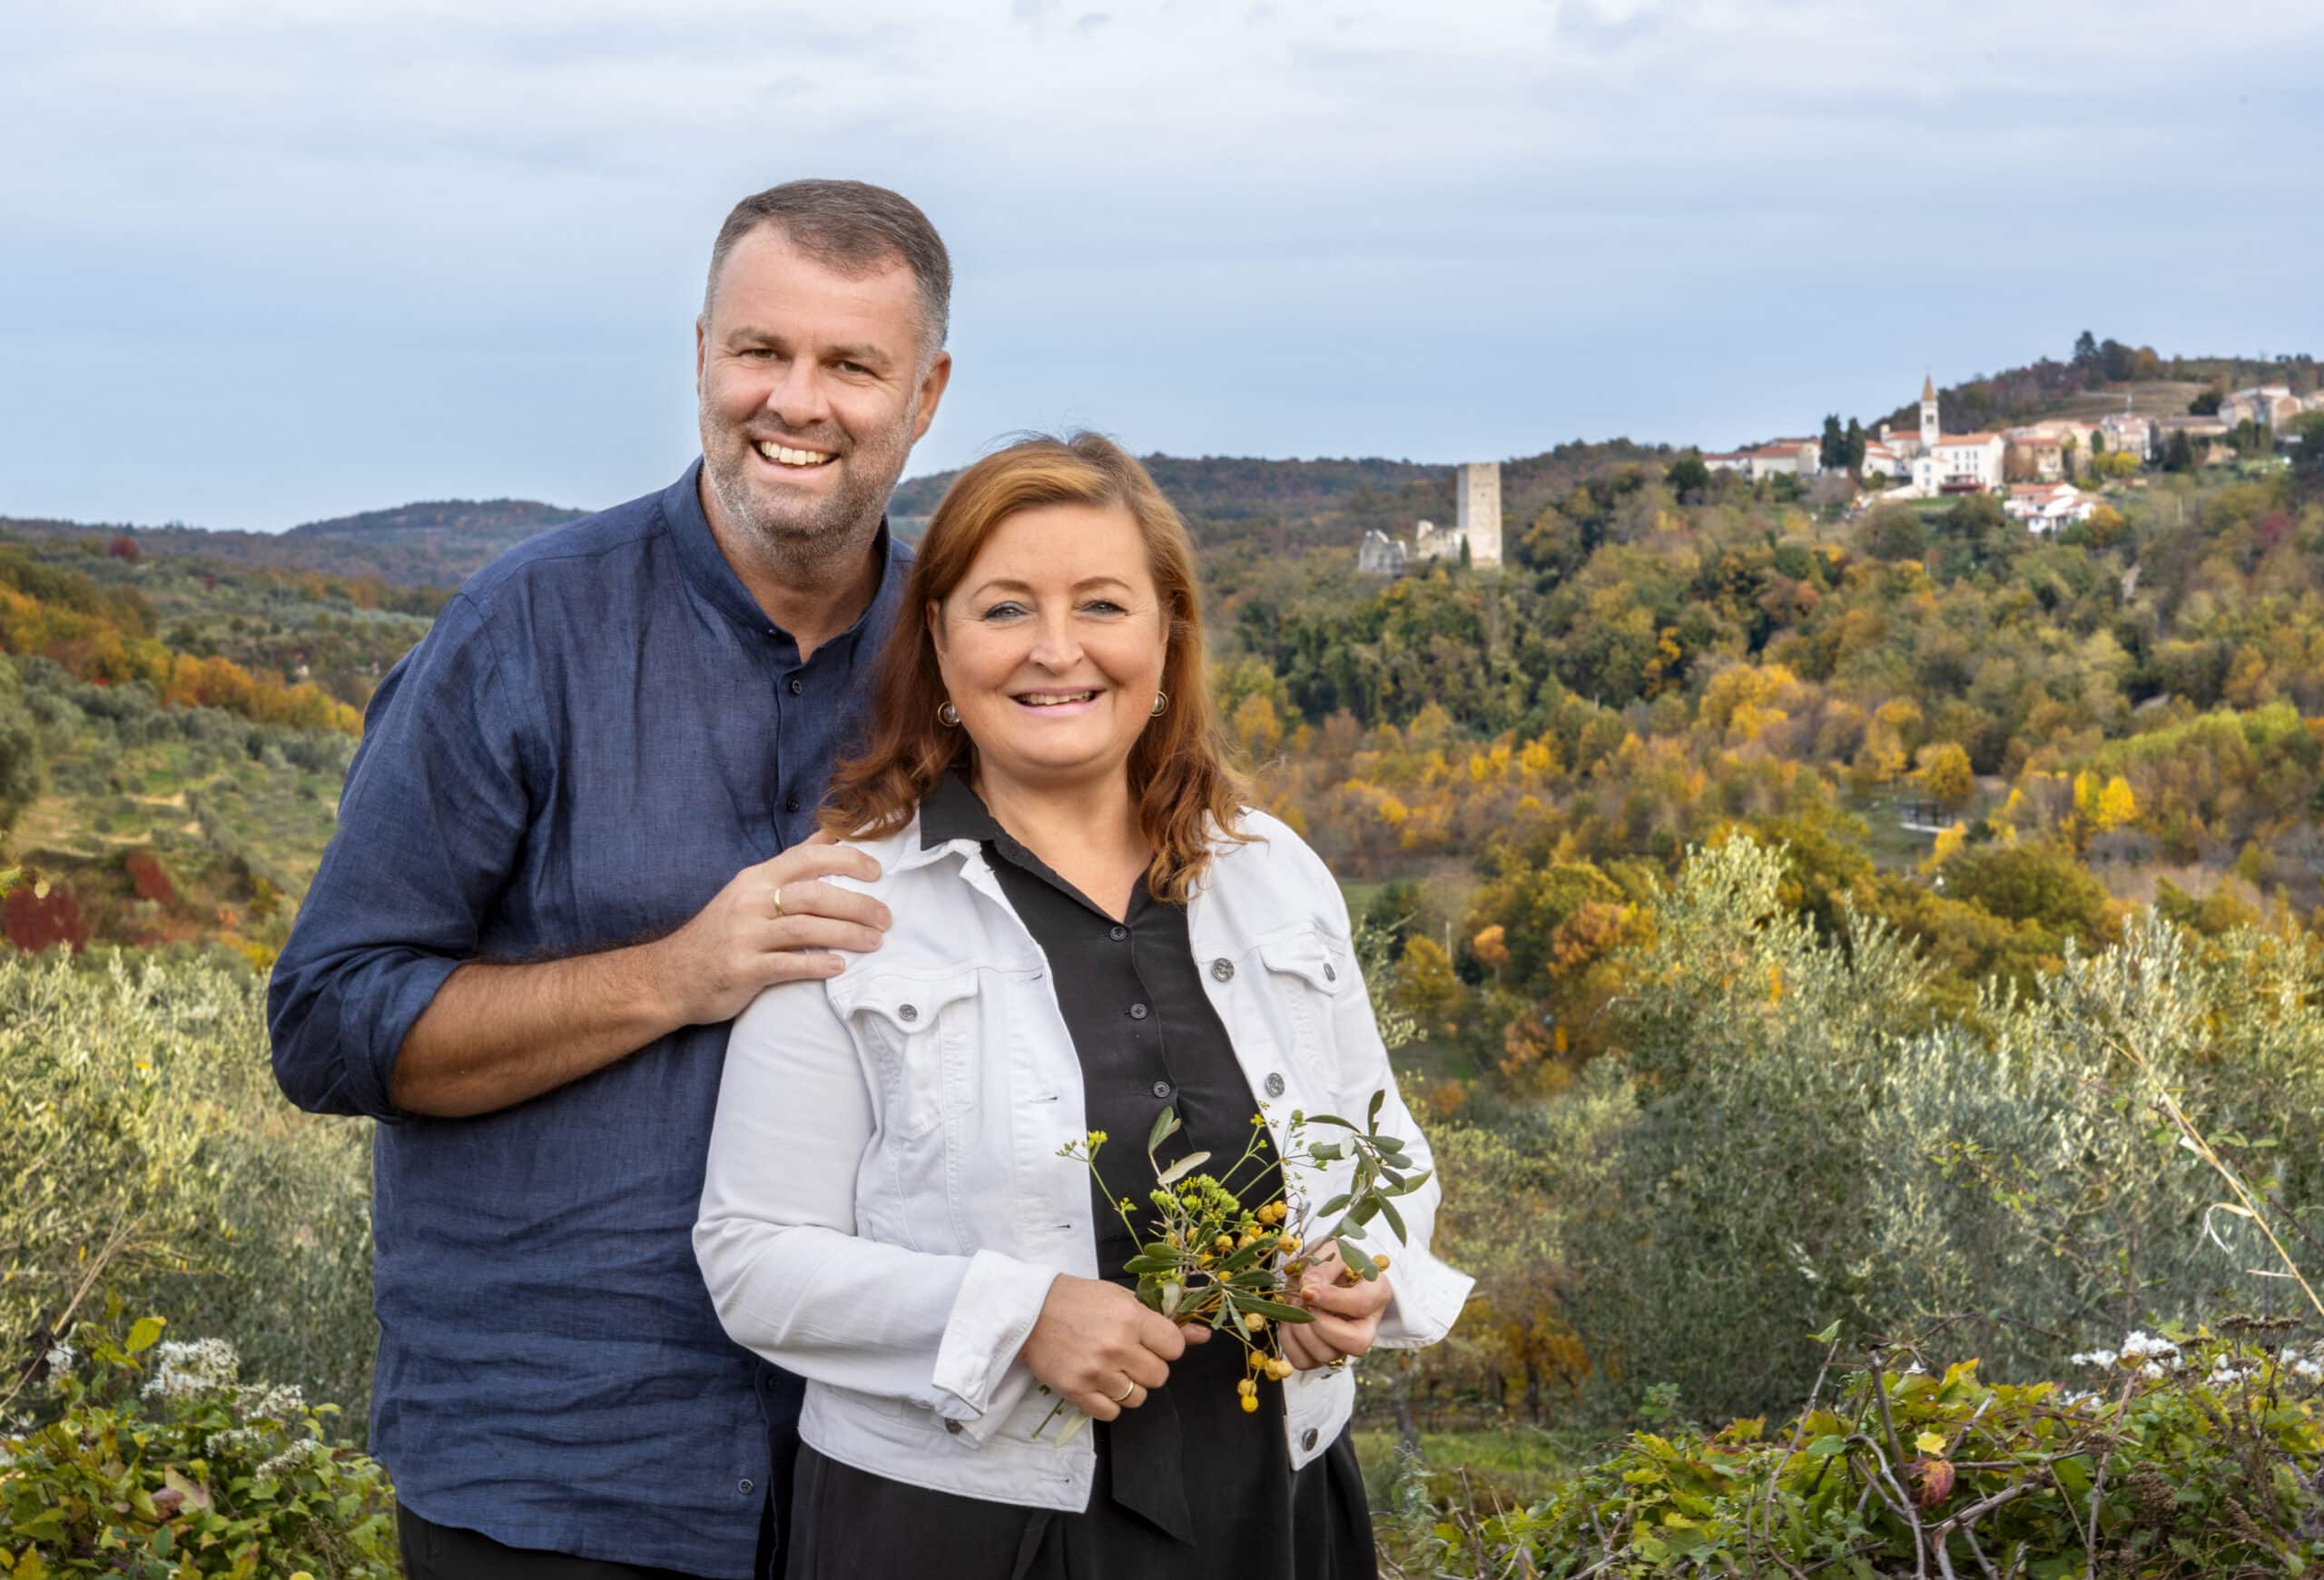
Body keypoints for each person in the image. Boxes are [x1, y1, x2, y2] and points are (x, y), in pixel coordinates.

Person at [267, 179, 955, 1580]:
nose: (796, 402)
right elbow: (329, 1023)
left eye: (851, 365)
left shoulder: (973, 656)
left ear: (927, 394)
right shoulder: (522, 629)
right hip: (557, 1471)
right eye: (761, 352)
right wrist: (676, 975)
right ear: (701, 349)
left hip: (886, 1467)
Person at [694, 433, 1472, 1578]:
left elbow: (1380, 1143)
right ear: (940, 647)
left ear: (1165, 640)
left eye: (1101, 605)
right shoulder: (848, 900)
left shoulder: (1273, 874)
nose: (1057, 651)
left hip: (1273, 1505)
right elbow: (752, 1260)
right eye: (1005, 610)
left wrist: (1362, 1270)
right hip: (956, 1529)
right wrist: (1017, 1317)